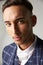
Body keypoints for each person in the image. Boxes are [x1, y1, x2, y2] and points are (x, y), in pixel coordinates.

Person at [2, 0, 43, 65]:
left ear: (33, 21)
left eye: (20, 21)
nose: (14, 31)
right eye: (8, 24)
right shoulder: (6, 51)